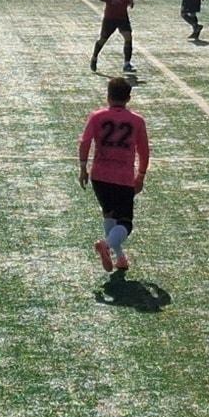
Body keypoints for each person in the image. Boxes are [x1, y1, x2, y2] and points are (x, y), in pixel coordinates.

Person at [78, 76, 149, 273]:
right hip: (123, 177)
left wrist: (83, 167)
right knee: (125, 222)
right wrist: (141, 175)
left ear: (108, 96)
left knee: (110, 216)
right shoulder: (137, 120)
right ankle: (107, 245)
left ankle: (120, 258)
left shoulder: (97, 116)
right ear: (128, 98)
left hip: (99, 175)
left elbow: (85, 142)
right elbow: (144, 151)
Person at [91, 0, 136, 75]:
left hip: (122, 15)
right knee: (103, 39)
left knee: (128, 37)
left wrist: (131, 0)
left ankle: (126, 63)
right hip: (110, 16)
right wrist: (111, 0)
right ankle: (94, 57)